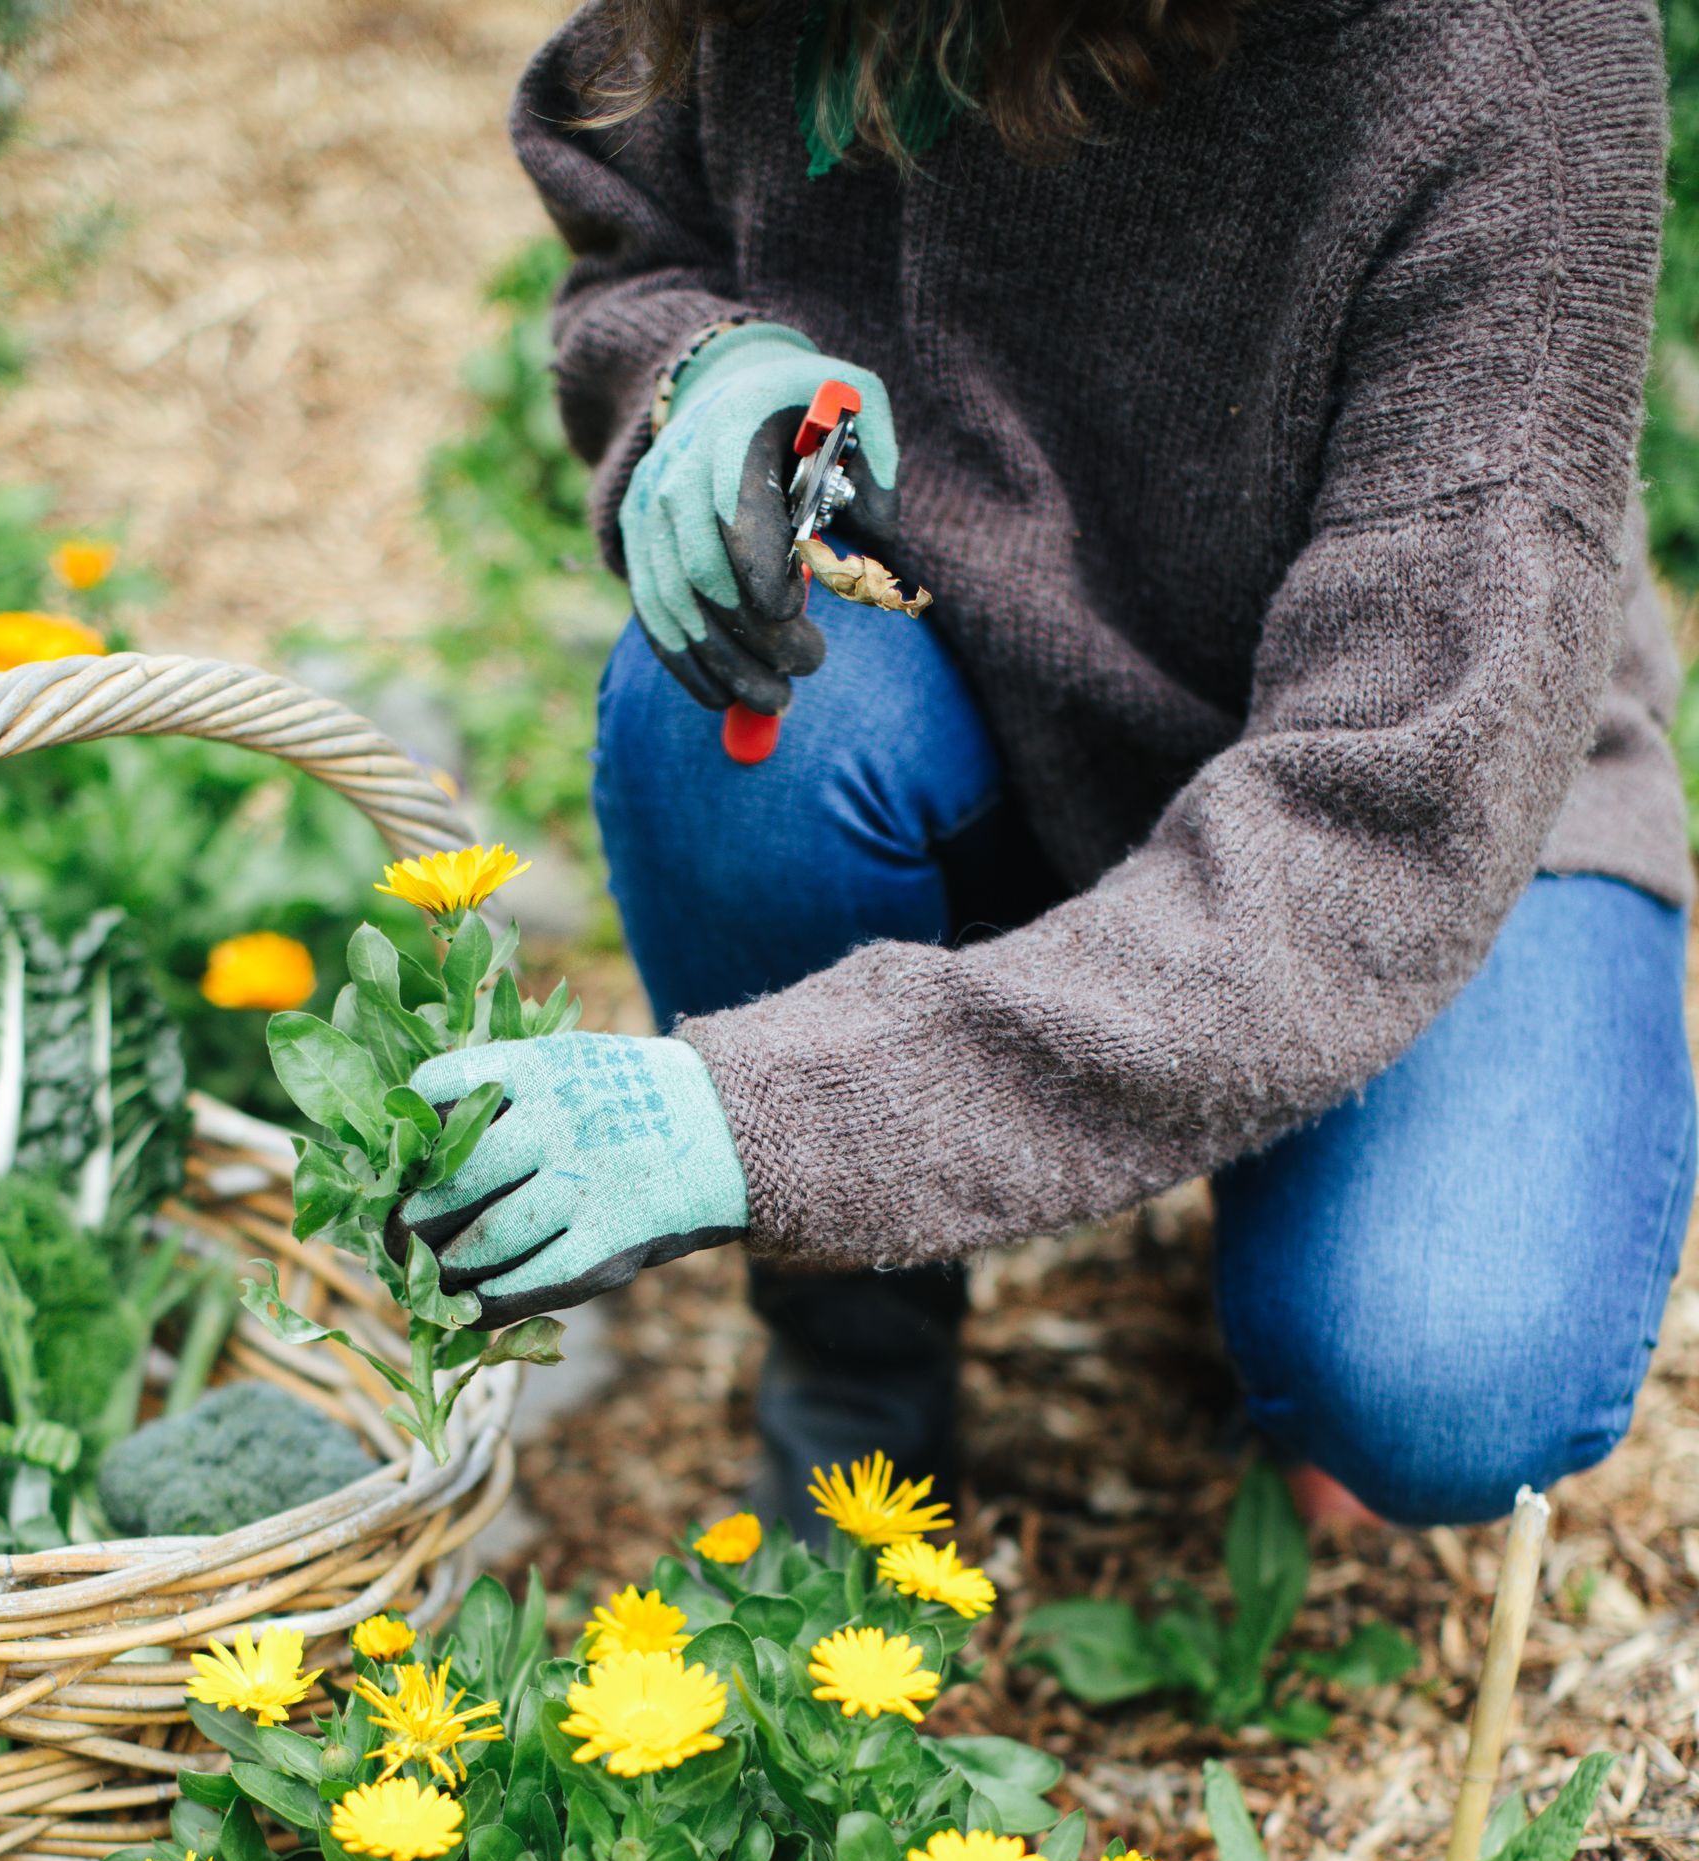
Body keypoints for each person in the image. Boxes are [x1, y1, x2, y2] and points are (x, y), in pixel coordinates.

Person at [397, 0, 1694, 1532]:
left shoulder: (1511, 61)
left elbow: (1378, 829)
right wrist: (701, 374)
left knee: (1445, 1374)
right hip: (968, 690)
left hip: (1418, 786)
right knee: (723, 719)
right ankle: (859, 1366)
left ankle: (1292, 1277)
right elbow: (639, 223)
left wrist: (762, 1121)